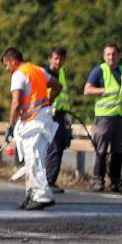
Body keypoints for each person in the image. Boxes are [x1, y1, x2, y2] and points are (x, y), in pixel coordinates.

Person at [2, 47, 56, 210]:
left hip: (33, 122)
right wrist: (47, 102)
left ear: (13, 61)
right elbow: (57, 85)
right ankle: (31, 193)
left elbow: (16, 103)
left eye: (6, 65)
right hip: (42, 119)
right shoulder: (38, 70)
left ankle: (42, 196)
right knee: (32, 158)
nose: (6, 69)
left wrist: (11, 126)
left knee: (33, 159)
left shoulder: (18, 74)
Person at [82, 43, 122, 191]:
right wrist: (104, 90)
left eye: (114, 54)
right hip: (104, 117)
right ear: (104, 57)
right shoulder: (99, 71)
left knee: (118, 150)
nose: (111, 57)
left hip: (121, 116)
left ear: (118, 56)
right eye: (108, 54)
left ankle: (116, 181)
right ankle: (98, 180)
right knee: (101, 150)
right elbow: (87, 90)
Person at [44, 46, 73, 188]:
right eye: (56, 58)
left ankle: (51, 179)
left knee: (60, 146)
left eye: (61, 59)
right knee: (53, 147)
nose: (58, 61)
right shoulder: (46, 74)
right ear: (50, 59)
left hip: (61, 115)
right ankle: (48, 180)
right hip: (50, 115)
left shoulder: (61, 73)